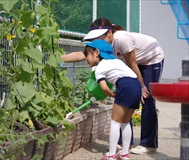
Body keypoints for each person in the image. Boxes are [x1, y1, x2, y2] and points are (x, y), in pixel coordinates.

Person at [61, 17, 164, 154]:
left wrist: (142, 86)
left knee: (147, 98)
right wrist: (57, 58)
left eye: (100, 37)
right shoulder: (102, 46)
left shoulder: (122, 39)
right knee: (123, 100)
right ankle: (124, 143)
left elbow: (133, 64)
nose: (98, 41)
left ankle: (149, 143)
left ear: (109, 33)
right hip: (132, 66)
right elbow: (83, 54)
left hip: (151, 58)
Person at [83, 39, 141, 160]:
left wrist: (112, 95)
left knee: (115, 122)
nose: (86, 58)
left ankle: (112, 155)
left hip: (125, 85)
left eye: (87, 54)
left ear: (96, 52)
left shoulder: (100, 67)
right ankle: (124, 154)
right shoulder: (117, 62)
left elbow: (103, 88)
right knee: (125, 122)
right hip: (136, 86)